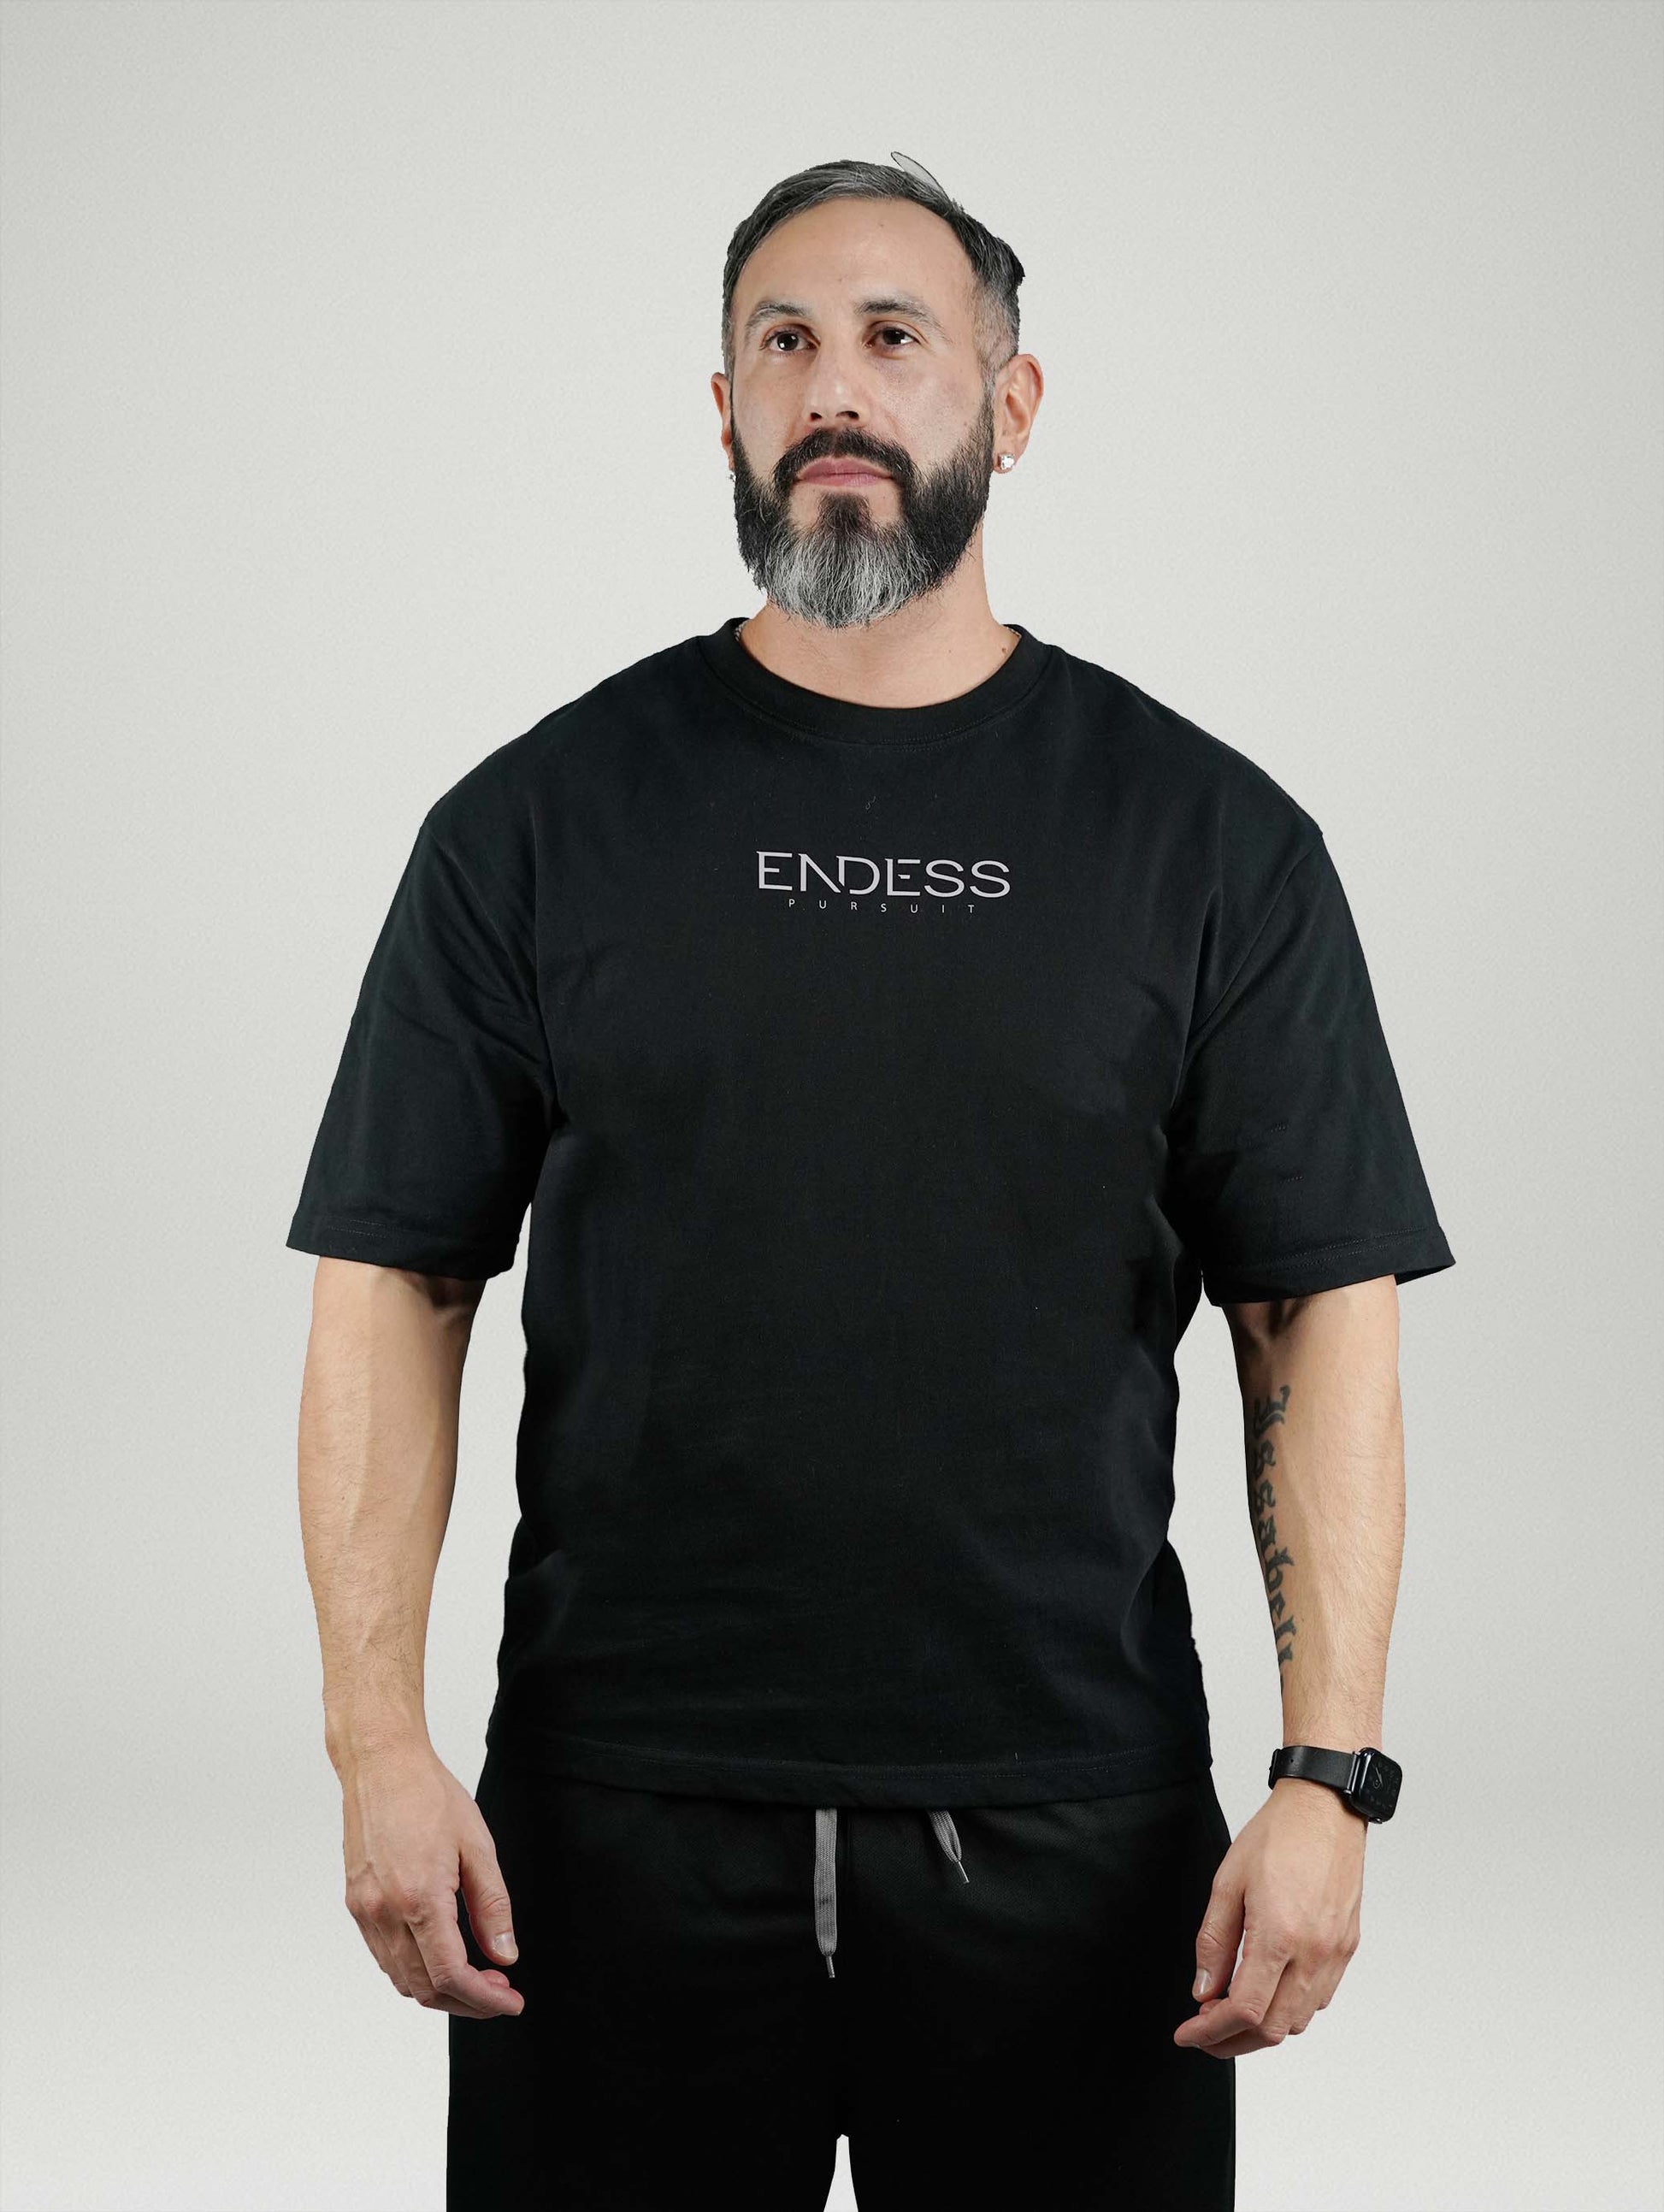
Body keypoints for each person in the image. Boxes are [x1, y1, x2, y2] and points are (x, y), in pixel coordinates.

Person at [286, 153, 1455, 2211]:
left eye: (894, 338)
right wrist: (378, 1745)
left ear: (1010, 402)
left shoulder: (1208, 842)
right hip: (612, 1831)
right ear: (724, 408)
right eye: (784, 342)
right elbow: (398, 1283)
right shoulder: (535, 824)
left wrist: (1325, 1773)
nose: (834, 385)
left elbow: (1314, 1313)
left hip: (1077, 1832)